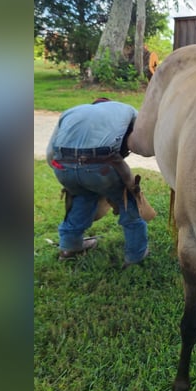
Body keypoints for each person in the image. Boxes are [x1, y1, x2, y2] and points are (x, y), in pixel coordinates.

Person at [47, 98, 149, 266]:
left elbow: (50, 154)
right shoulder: (127, 110)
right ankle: (136, 255)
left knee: (82, 197)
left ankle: (70, 247)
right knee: (128, 201)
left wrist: (73, 174)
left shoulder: (71, 111)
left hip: (63, 167)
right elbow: (141, 140)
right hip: (101, 168)